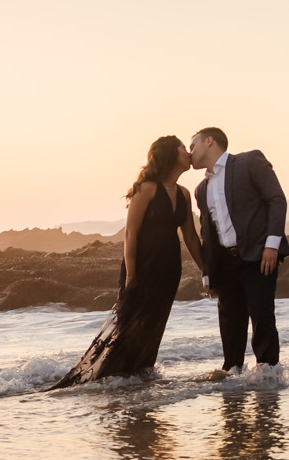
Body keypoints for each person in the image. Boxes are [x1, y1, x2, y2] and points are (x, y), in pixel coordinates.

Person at [52, 136, 203, 388]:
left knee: (154, 325)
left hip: (168, 271)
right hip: (141, 270)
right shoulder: (146, 188)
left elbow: (190, 236)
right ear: (169, 154)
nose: (188, 153)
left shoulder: (185, 194)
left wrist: (206, 270)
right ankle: (106, 378)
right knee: (128, 327)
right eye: (182, 148)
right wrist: (131, 276)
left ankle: (138, 377)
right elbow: (130, 233)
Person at [188, 127, 289, 374]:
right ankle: (232, 380)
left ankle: (269, 379)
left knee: (262, 320)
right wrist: (208, 273)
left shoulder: (248, 162)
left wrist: (271, 246)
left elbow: (276, 199)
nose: (190, 153)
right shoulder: (201, 189)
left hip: (258, 257)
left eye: (193, 146)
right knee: (230, 326)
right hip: (225, 264)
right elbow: (207, 233)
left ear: (209, 141)